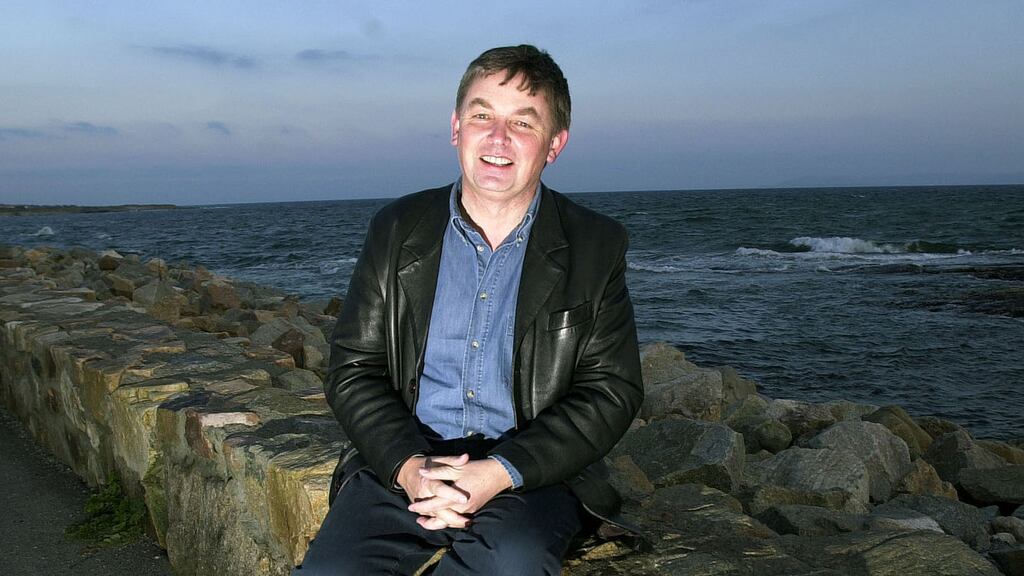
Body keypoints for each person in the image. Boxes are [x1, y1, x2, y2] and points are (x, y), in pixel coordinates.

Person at [296, 44, 643, 575]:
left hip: (531, 472)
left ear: (554, 144)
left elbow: (611, 390)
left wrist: (499, 471)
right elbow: (353, 369)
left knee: (511, 562)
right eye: (483, 116)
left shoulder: (595, 245)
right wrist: (410, 468)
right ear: (456, 127)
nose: (498, 138)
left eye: (522, 123)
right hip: (408, 459)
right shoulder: (397, 229)